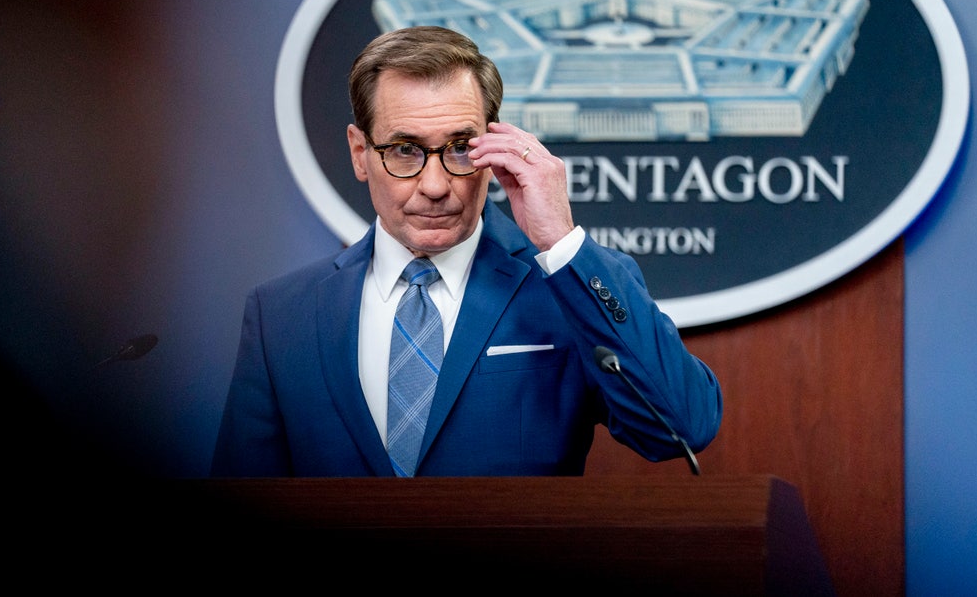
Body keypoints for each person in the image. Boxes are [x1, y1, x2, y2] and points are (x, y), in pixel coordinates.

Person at [210, 25, 721, 477]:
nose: (435, 185)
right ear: (360, 153)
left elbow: (682, 427)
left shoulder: (566, 288)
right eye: (405, 149)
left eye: (459, 148)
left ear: (494, 147)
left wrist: (562, 242)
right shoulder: (282, 315)